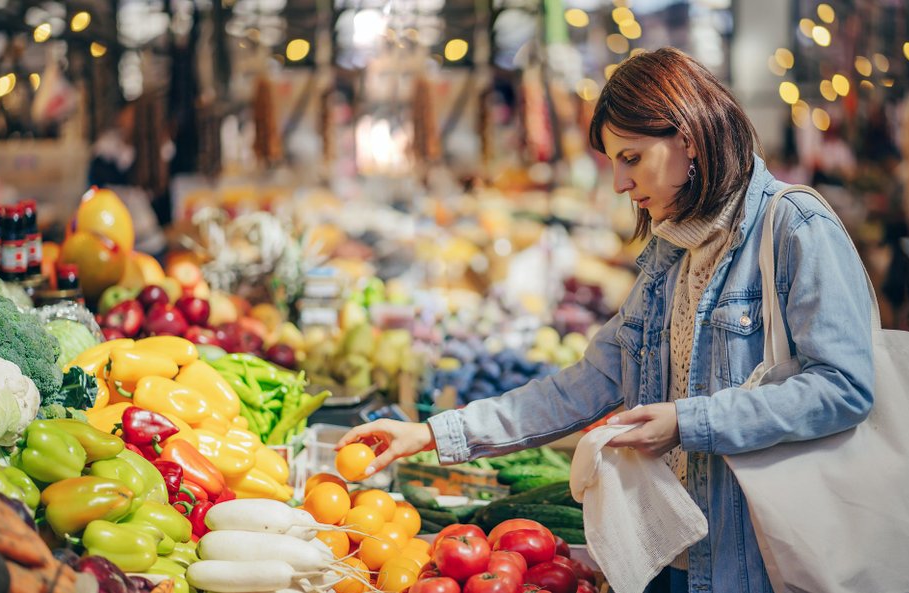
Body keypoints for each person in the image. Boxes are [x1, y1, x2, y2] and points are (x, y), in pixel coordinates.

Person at [337, 48, 875, 593]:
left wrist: (690, 422)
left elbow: (845, 386)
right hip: (672, 558)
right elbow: (584, 384)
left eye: (631, 158)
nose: (620, 182)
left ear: (688, 140)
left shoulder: (797, 228)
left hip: (757, 566)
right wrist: (430, 433)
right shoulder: (671, 255)